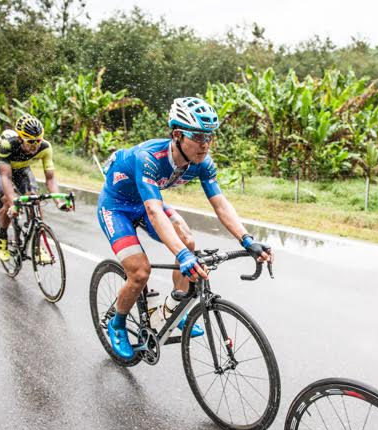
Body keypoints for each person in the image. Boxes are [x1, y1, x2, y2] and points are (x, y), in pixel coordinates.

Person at [96, 96, 273, 361]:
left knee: (188, 241)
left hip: (146, 204)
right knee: (140, 272)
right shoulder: (149, 157)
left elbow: (221, 205)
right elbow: (155, 212)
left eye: (210, 137)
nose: (205, 144)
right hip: (117, 207)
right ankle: (117, 324)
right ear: (177, 134)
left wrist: (247, 240)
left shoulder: (202, 163)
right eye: (199, 136)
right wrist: (181, 257)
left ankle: (172, 307)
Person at [0, 115, 68, 261]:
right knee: (7, 201)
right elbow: (6, 177)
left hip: (22, 170)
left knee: (35, 199)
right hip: (0, 170)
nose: (35, 145)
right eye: (30, 141)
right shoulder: (7, 145)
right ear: (19, 138)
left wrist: (59, 202)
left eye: (38, 141)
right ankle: (2, 238)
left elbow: (50, 178)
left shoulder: (45, 147)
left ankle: (37, 246)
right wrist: (13, 203)